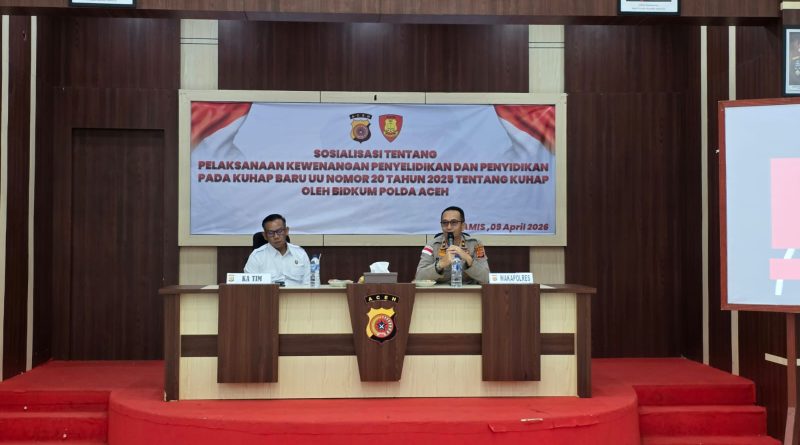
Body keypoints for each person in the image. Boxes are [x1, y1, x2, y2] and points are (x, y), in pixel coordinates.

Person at [415, 206, 490, 284]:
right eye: (445, 223)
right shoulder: (432, 246)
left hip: (467, 289)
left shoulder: (475, 244)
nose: (449, 227)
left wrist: (469, 260)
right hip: (440, 290)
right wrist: (440, 264)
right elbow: (419, 277)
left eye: (454, 222)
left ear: (463, 226)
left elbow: (486, 278)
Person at [244, 214, 310, 286]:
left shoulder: (300, 254)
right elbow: (249, 287)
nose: (276, 237)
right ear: (265, 236)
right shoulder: (256, 256)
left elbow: (309, 284)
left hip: (297, 293)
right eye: (271, 233)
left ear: (286, 231)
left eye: (279, 231)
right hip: (268, 293)